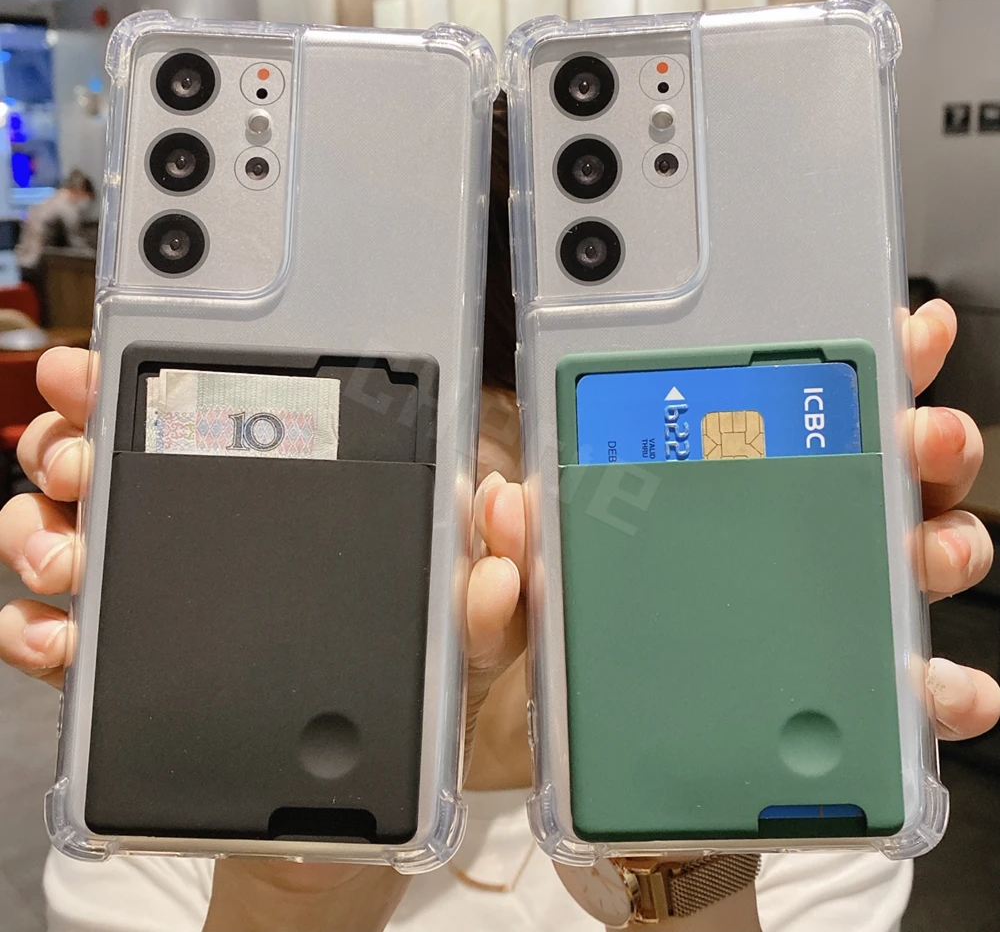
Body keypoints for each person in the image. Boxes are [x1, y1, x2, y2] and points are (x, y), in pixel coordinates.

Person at [0, 100, 996, 932]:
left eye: (533, 407)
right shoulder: (179, 772)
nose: (506, 487)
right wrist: (291, 891)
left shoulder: (792, 757)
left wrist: (684, 879)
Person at [14, 169, 96, 324]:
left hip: (24, 260)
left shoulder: (48, 201)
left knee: (35, 307)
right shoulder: (65, 207)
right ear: (80, 191)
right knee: (48, 311)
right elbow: (74, 240)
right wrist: (95, 256)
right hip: (39, 263)